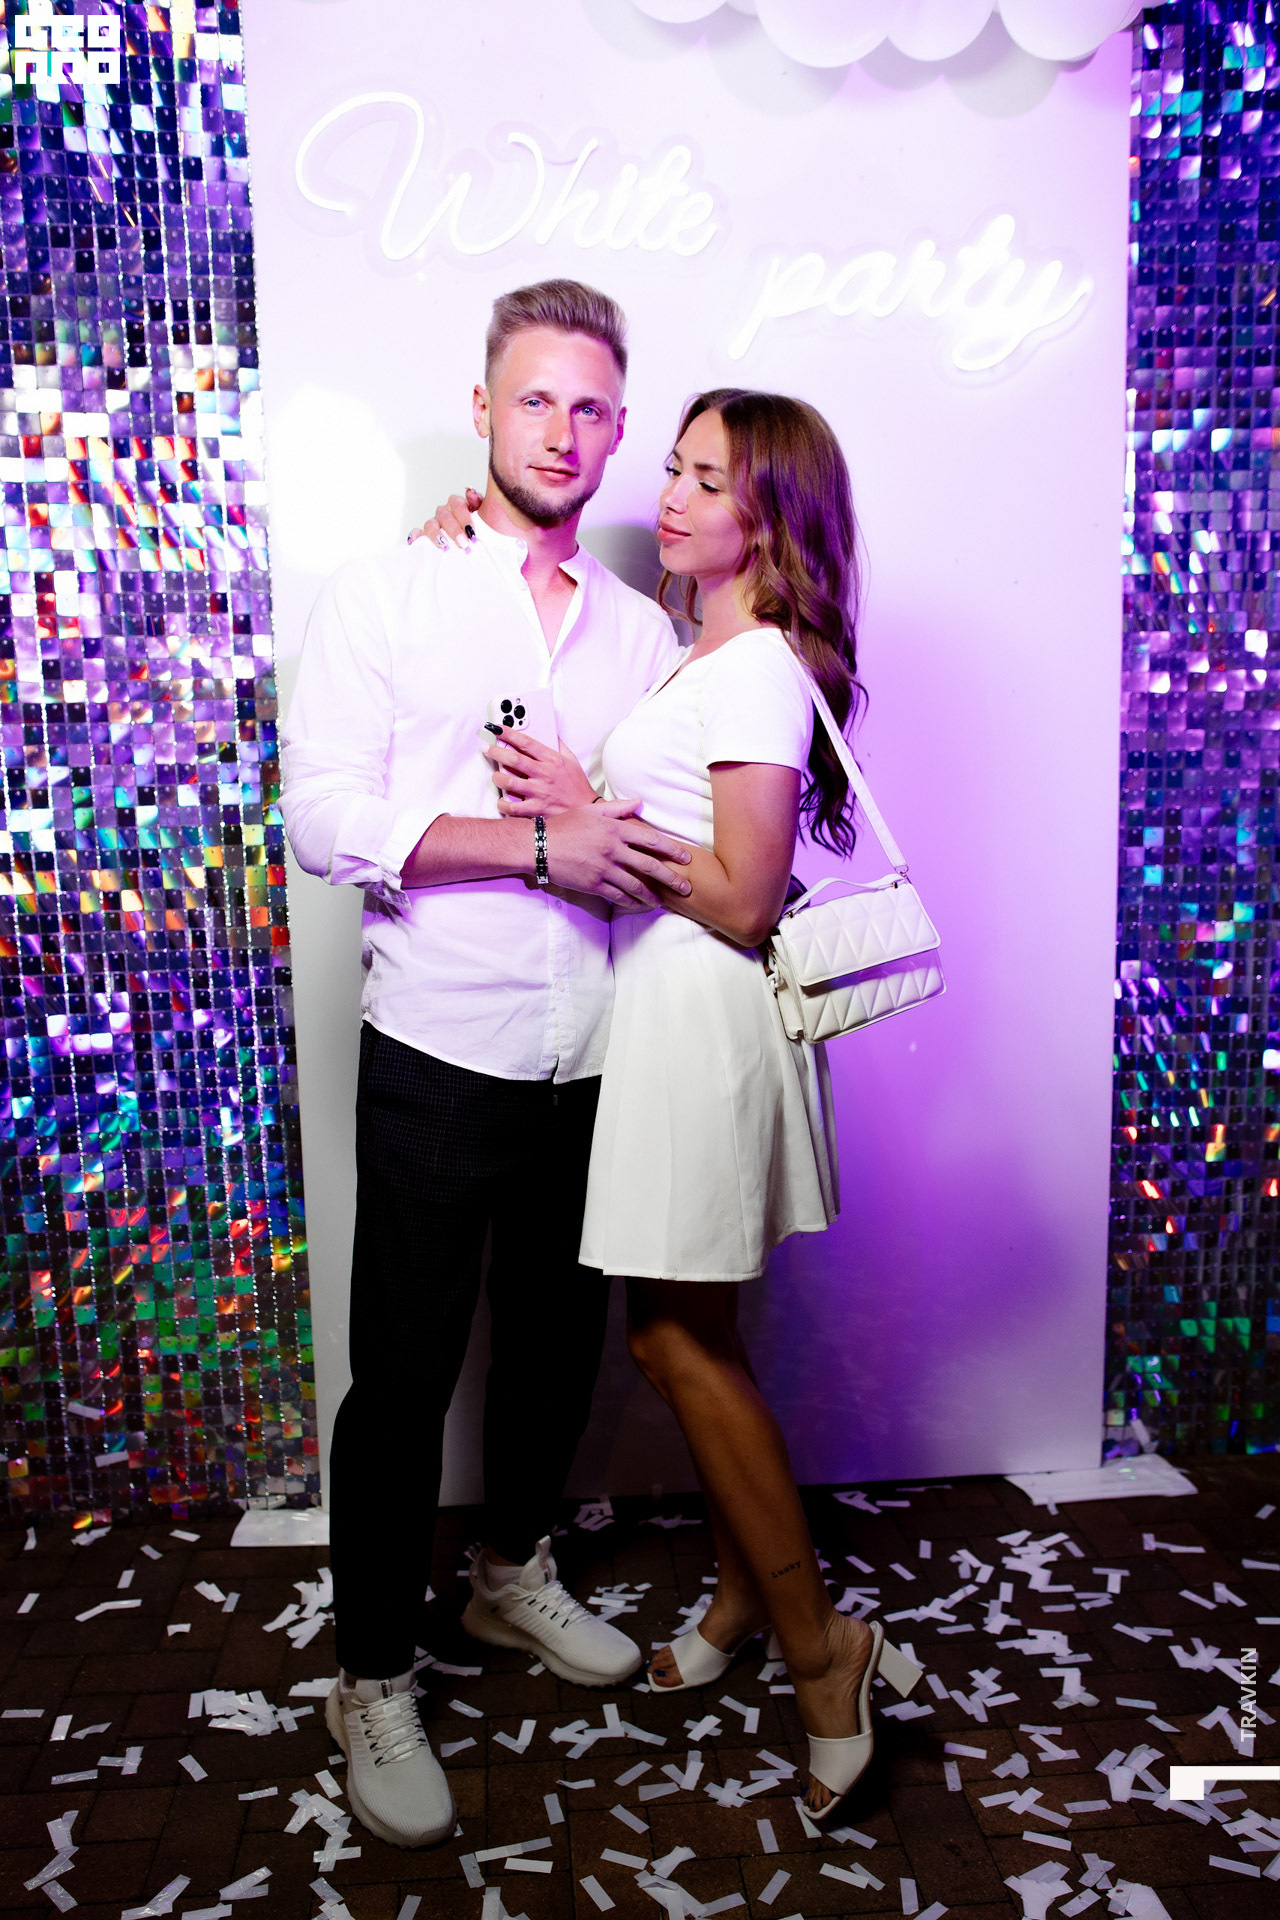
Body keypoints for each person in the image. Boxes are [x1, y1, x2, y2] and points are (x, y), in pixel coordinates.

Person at [451, 387, 922, 1820]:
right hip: (666, 1020)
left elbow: (744, 894)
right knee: (696, 1336)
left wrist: (593, 819)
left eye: (708, 478)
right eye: (672, 467)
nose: (669, 493)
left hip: (706, 1024)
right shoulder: (700, 649)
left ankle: (823, 1655)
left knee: (672, 1341)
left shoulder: (759, 663)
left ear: (771, 514)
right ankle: (736, 1605)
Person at [279, 280, 696, 1850]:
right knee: (400, 1381)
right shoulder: (389, 594)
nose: (564, 432)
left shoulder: (645, 634)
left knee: (554, 1352)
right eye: (537, 399)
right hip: (438, 1048)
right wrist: (536, 845)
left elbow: (670, 845)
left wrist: (599, 824)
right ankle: (372, 1674)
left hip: (595, 1052)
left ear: (618, 427)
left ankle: (511, 1571)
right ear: (482, 409)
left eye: (592, 407)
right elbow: (322, 818)